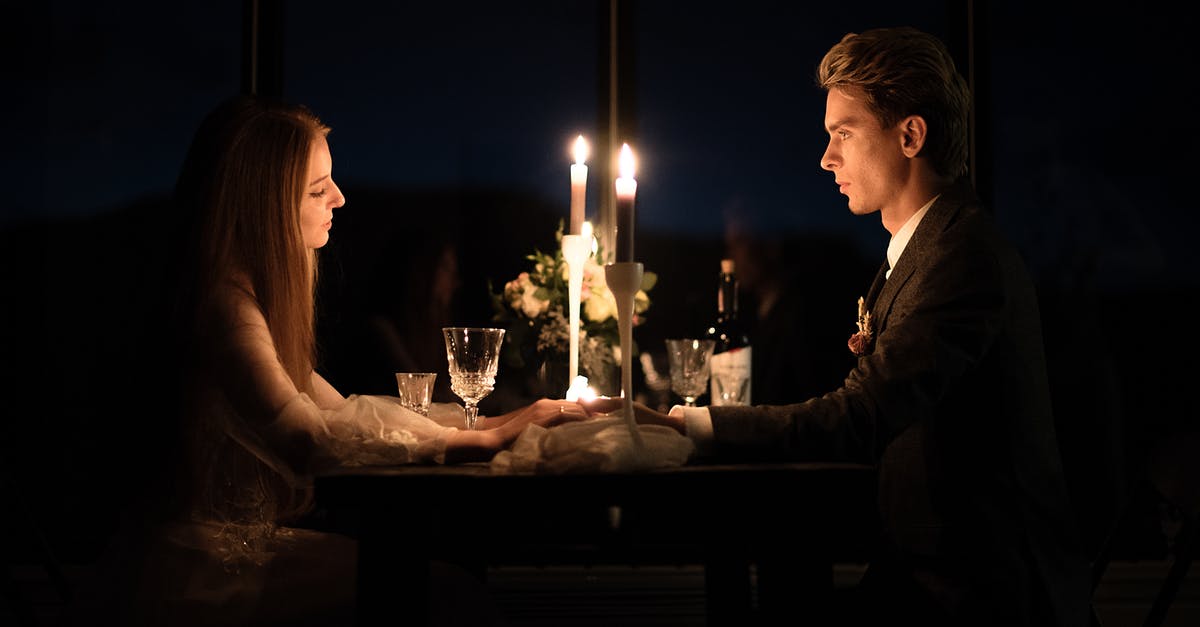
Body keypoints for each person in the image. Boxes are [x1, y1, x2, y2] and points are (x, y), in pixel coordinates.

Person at [583, 27, 1092, 626]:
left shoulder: (963, 258)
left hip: (979, 592)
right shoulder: (921, 249)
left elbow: (861, 417)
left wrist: (684, 423)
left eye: (844, 134)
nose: (827, 158)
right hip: (921, 570)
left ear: (910, 135)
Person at [64, 95, 585, 627]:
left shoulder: (245, 300)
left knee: (446, 586)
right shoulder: (225, 307)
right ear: (265, 204)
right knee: (447, 595)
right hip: (201, 573)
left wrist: (496, 422)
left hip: (232, 554)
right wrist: (479, 438)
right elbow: (306, 437)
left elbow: (343, 413)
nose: (338, 198)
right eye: (317, 189)